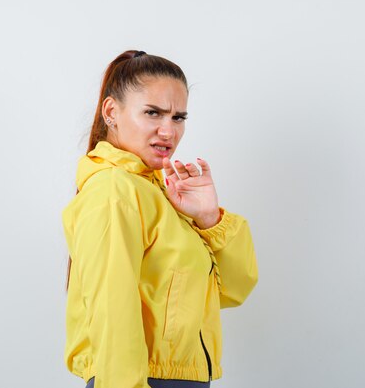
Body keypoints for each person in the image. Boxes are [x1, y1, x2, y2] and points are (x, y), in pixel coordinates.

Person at [61, 50, 259, 388]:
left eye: (178, 117)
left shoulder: (161, 194)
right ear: (112, 112)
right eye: (153, 113)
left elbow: (233, 291)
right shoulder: (114, 191)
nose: (168, 131)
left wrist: (209, 219)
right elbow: (113, 315)